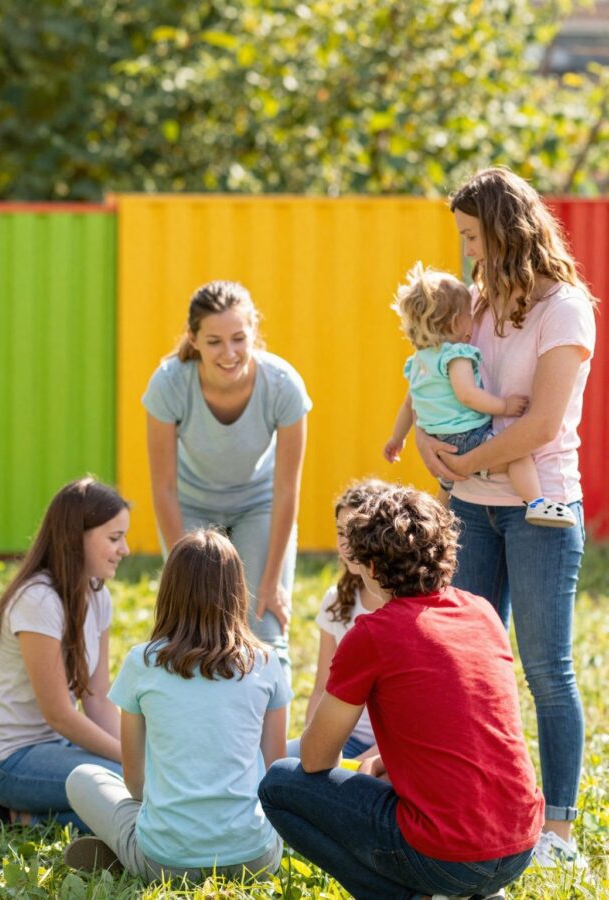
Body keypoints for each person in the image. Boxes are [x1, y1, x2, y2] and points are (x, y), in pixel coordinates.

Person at [416, 167, 598, 869]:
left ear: (504, 229)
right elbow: (442, 380)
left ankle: (556, 831)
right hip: (471, 509)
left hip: (540, 510)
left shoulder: (567, 309)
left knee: (546, 670)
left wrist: (468, 462)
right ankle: (483, 812)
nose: (466, 251)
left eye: (472, 235)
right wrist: (433, 446)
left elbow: (545, 423)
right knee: (466, 668)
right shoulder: (479, 304)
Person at [258, 487, 542, 900]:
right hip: (519, 845)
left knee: (279, 784)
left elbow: (317, 760)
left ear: (371, 566)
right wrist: (382, 768)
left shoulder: (372, 634)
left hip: (448, 856)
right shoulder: (482, 612)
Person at [63, 528, 288, 884]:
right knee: (296, 755)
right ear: (237, 591)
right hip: (256, 858)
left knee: (82, 778)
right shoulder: (266, 661)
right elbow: (277, 777)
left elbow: (135, 785)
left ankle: (127, 851)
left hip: (166, 862)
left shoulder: (142, 663)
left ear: (169, 590)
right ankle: (132, 849)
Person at [144, 280, 310, 675]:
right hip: (191, 504)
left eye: (239, 338)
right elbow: (163, 488)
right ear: (194, 339)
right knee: (191, 629)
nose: (229, 353)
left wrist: (270, 584)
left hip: (259, 504)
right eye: (215, 341)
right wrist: (179, 567)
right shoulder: (169, 383)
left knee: (266, 627)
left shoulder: (283, 385)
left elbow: (287, 490)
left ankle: (268, 737)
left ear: (254, 332)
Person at [0, 478, 130, 831]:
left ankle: (19, 817)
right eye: (114, 538)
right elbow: (59, 714)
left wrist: (140, 755)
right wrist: (132, 764)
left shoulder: (98, 596)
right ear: (76, 537)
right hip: (8, 761)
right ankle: (13, 811)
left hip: (55, 749)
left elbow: (98, 699)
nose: (126, 550)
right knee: (128, 786)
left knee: (137, 789)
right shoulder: (38, 600)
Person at [383, 262, 574, 527]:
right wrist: (505, 407)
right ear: (454, 322)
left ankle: (437, 521)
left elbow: (408, 405)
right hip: (467, 437)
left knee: (447, 487)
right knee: (516, 458)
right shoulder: (456, 355)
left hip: (439, 441)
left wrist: (396, 438)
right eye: (468, 314)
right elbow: (468, 395)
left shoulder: (418, 362)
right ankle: (537, 503)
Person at [286, 481, 387, 762]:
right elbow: (322, 687)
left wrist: (361, 763)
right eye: (341, 532)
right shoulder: (336, 601)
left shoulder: (401, 603)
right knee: (278, 761)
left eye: (354, 532)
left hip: (389, 747)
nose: (346, 543)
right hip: (345, 739)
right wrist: (314, 746)